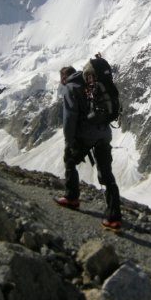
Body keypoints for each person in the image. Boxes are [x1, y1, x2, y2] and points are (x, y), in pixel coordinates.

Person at [54, 63, 122, 230]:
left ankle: (72, 198)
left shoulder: (70, 87)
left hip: (86, 135)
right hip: (104, 133)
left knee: (69, 160)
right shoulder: (90, 81)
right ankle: (114, 217)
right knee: (107, 173)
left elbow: (69, 118)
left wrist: (70, 142)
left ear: (64, 77)